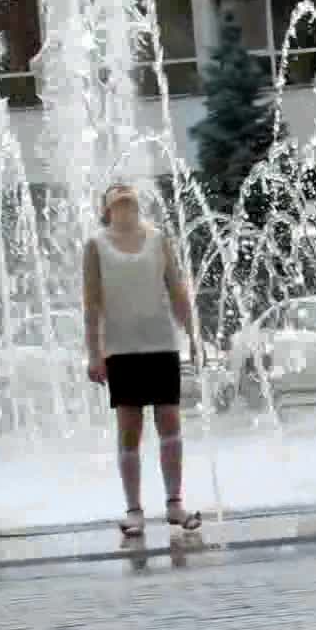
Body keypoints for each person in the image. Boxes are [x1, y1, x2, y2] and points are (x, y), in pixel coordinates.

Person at [84, 183, 203, 537]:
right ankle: (134, 510)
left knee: (170, 421)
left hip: (160, 343)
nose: (123, 192)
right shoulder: (96, 245)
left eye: (128, 190)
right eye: (115, 191)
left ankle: (175, 504)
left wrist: (193, 336)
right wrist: (94, 353)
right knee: (129, 429)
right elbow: (91, 304)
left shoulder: (157, 239)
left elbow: (177, 290)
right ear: (106, 207)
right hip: (121, 349)